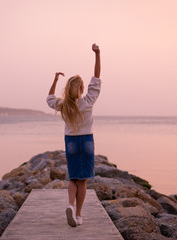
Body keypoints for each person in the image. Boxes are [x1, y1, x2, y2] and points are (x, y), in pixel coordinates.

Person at [46, 43, 101, 227]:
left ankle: (70, 204)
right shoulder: (88, 102)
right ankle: (78, 215)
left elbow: (49, 99)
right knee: (83, 180)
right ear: (81, 88)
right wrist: (97, 54)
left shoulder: (64, 105)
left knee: (73, 178)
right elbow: (97, 77)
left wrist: (54, 80)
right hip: (86, 141)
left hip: (70, 141)